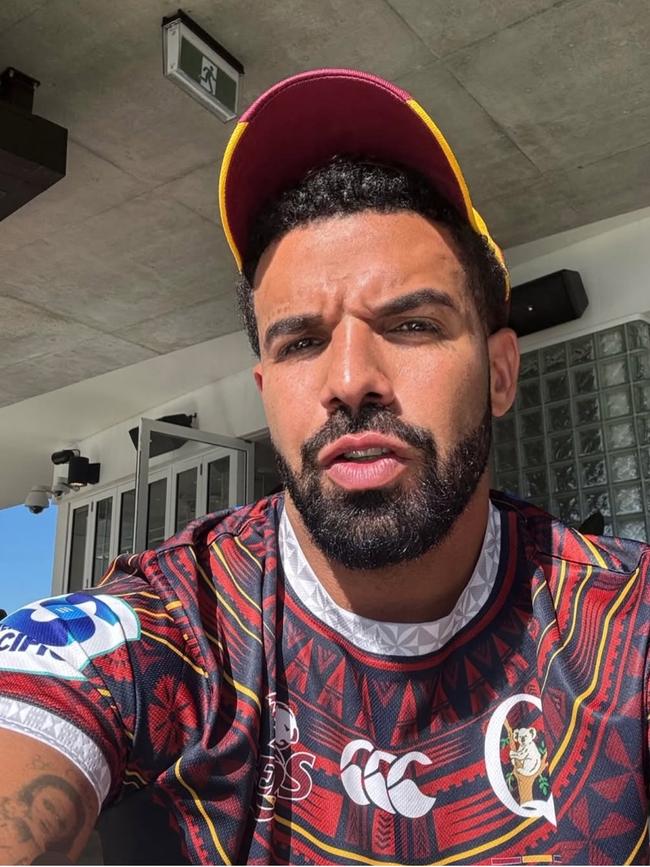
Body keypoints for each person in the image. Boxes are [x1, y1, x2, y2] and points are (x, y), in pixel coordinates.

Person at [0, 68, 648, 866]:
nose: (349, 380)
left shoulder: (628, 626)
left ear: (501, 372)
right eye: (302, 341)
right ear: (268, 392)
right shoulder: (169, 628)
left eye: (411, 323)